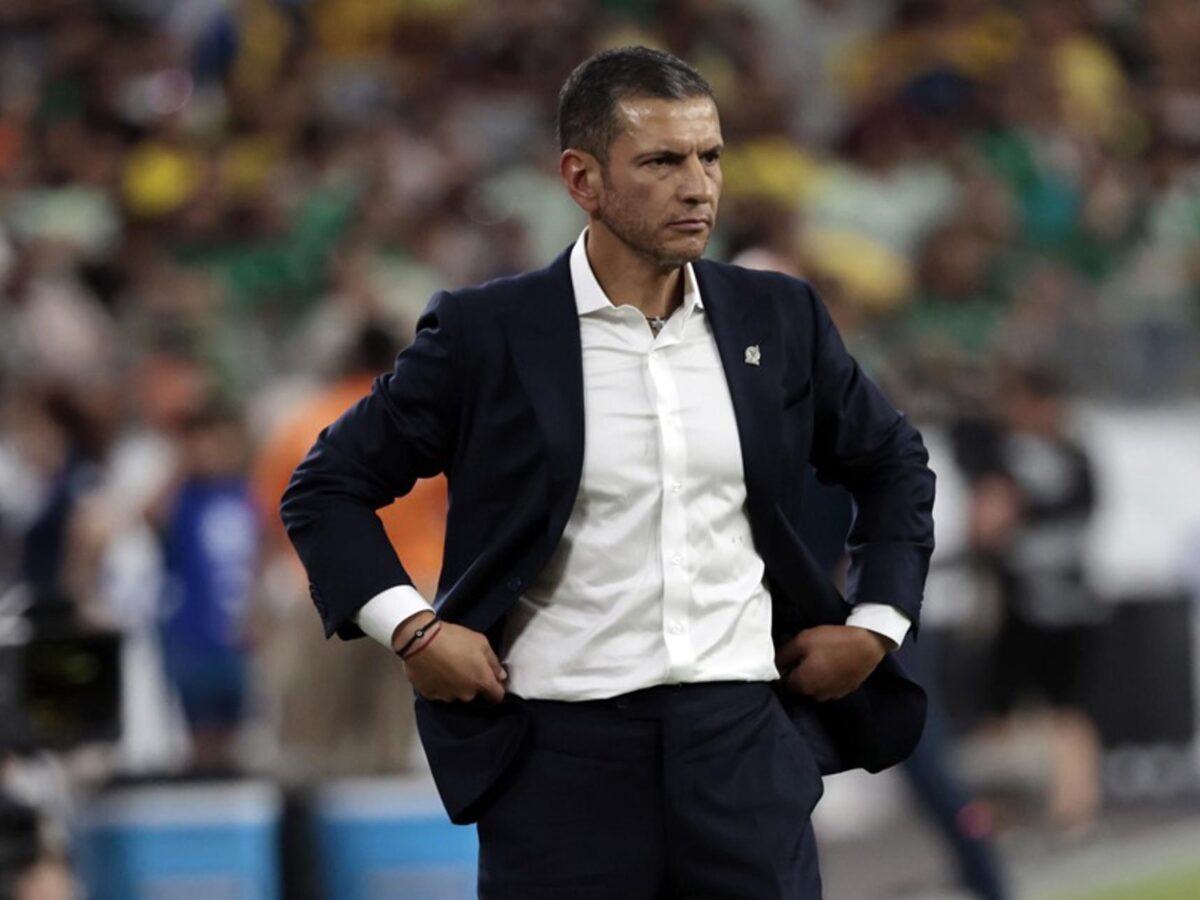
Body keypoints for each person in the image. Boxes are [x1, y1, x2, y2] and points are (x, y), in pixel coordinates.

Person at [282, 46, 936, 899]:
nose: (698, 186)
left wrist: (878, 621)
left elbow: (893, 462)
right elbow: (325, 488)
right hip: (559, 766)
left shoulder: (779, 317)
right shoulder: (489, 333)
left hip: (742, 747)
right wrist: (413, 629)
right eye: (662, 161)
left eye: (710, 156)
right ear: (581, 179)